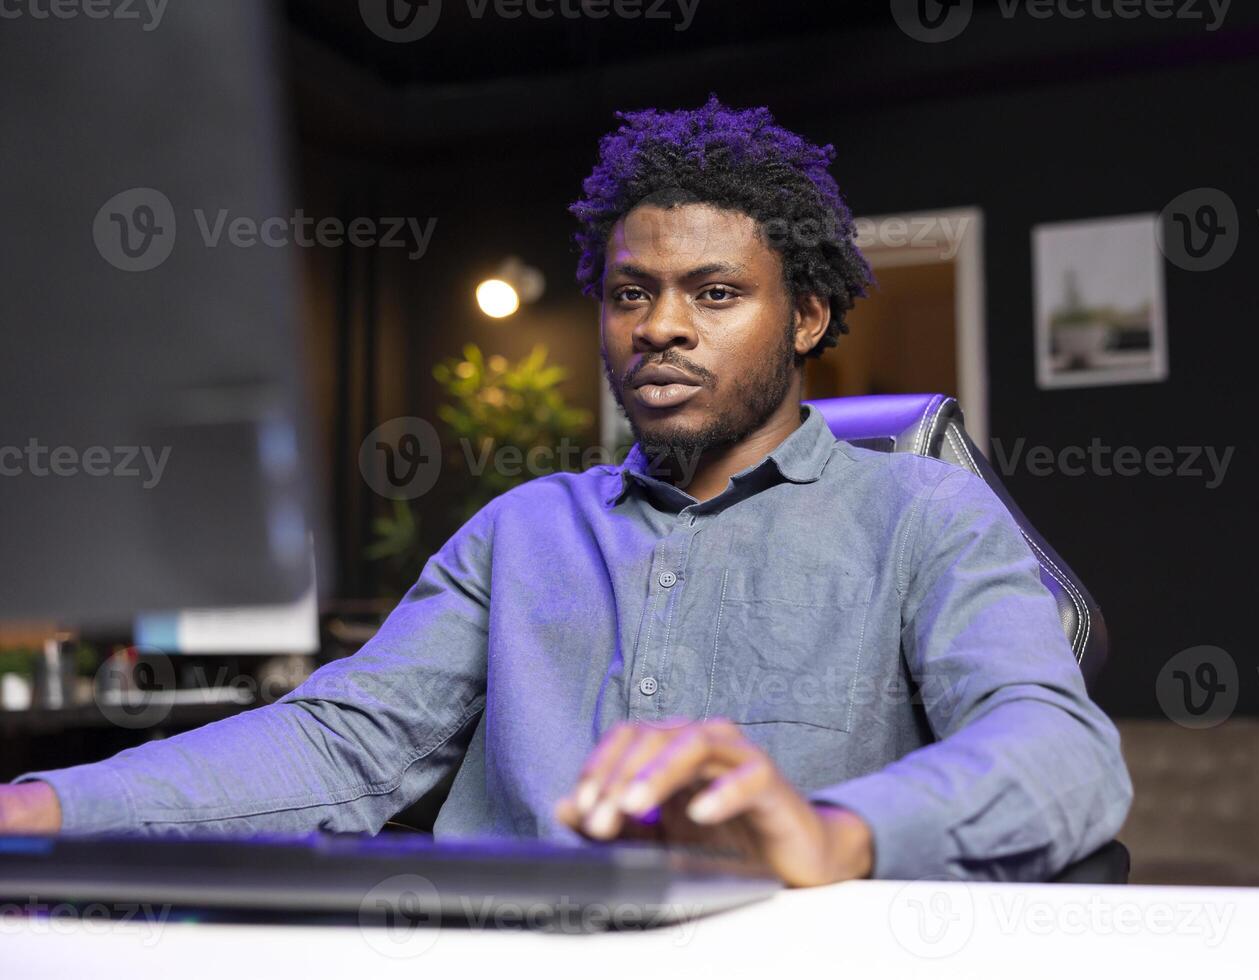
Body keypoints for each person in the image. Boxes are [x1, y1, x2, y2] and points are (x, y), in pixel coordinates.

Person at [0, 97, 1131, 886]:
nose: (663, 325)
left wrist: (831, 833)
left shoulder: (924, 518)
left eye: (717, 290)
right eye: (632, 291)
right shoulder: (522, 530)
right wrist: (43, 807)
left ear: (808, 317)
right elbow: (344, 744)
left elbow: (1059, 752)